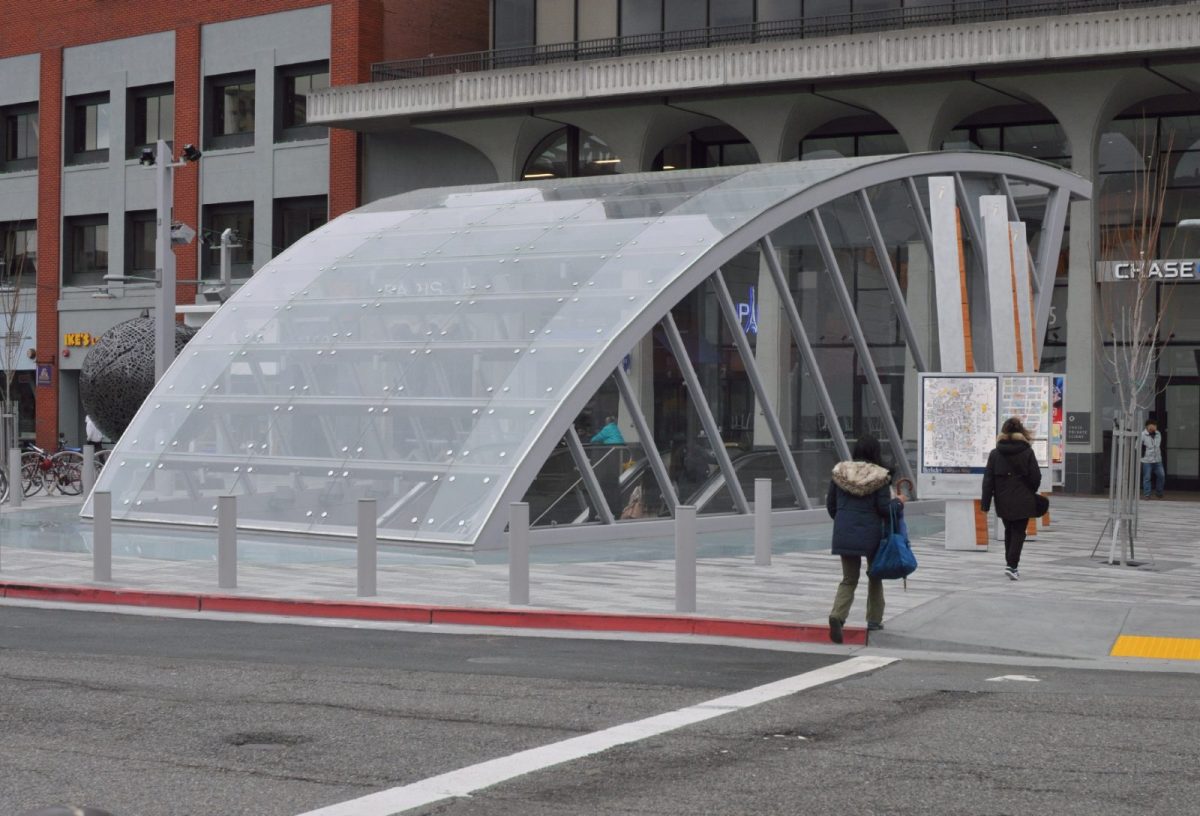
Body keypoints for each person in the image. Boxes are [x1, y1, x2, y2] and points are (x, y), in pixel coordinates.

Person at [826, 434, 904, 644]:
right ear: (875, 452)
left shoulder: (840, 473)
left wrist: (844, 523)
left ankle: (837, 615)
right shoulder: (880, 476)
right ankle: (874, 620)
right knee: (874, 575)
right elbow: (883, 509)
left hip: (844, 533)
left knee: (849, 579)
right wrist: (899, 503)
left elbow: (831, 506)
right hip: (872, 535)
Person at [981, 417, 1042, 581]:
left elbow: (988, 481)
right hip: (1023, 499)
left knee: (1009, 530)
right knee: (1018, 532)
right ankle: (1012, 565)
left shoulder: (995, 454)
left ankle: (1010, 563)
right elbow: (1036, 477)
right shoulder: (1027, 452)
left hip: (1003, 500)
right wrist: (1030, 490)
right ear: (1021, 432)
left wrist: (985, 504)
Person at [1140, 419, 1165, 499]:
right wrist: (1143, 454)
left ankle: (1159, 492)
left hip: (1157, 460)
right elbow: (1137, 446)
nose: (1154, 427)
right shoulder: (1143, 435)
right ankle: (1147, 494)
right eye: (1152, 425)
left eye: (1155, 426)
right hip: (1147, 460)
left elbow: (1157, 445)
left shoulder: (1158, 434)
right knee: (1147, 477)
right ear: (1147, 426)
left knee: (1161, 476)